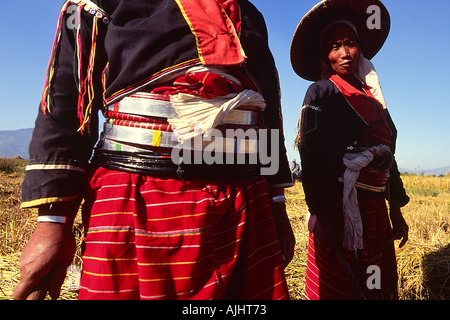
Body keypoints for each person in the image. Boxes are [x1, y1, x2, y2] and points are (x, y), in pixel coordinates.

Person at [13, 0, 295, 300]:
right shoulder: (97, 3)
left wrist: (277, 204)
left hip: (246, 199)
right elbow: (67, 99)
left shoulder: (248, 13)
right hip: (138, 196)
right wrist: (53, 223)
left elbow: (268, 110)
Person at [290, 0, 409, 300]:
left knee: (376, 288)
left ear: (359, 48)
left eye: (350, 44)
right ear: (325, 55)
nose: (344, 53)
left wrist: (395, 210)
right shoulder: (322, 92)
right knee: (342, 290)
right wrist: (323, 217)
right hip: (341, 215)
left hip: (375, 215)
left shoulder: (374, 100)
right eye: (335, 47)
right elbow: (312, 157)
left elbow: (387, 158)